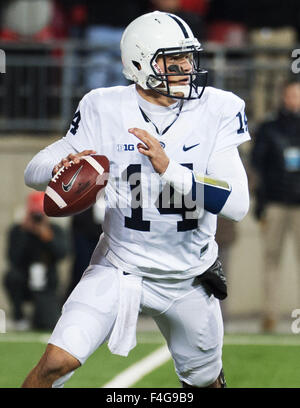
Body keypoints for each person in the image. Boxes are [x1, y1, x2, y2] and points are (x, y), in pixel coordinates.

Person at [22, 11, 250, 388]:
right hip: (120, 266)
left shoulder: (218, 108)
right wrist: (64, 166)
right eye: (171, 59)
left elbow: (237, 204)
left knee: (205, 383)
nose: (184, 67)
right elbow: (35, 170)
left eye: (188, 57)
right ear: (139, 62)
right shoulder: (104, 106)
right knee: (53, 365)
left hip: (188, 277)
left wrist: (169, 168)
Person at [251, 79, 300, 333]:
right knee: (271, 260)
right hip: (275, 202)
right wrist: (261, 203)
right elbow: (258, 166)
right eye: (292, 94)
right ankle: (270, 315)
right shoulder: (270, 128)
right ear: (284, 96)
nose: (295, 99)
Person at [3, 191, 69, 331]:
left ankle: (37, 317)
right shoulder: (18, 231)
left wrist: (47, 237)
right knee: (11, 277)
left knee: (47, 323)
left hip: (46, 283)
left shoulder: (55, 230)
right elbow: (13, 258)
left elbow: (63, 253)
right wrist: (24, 232)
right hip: (24, 279)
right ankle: (18, 316)